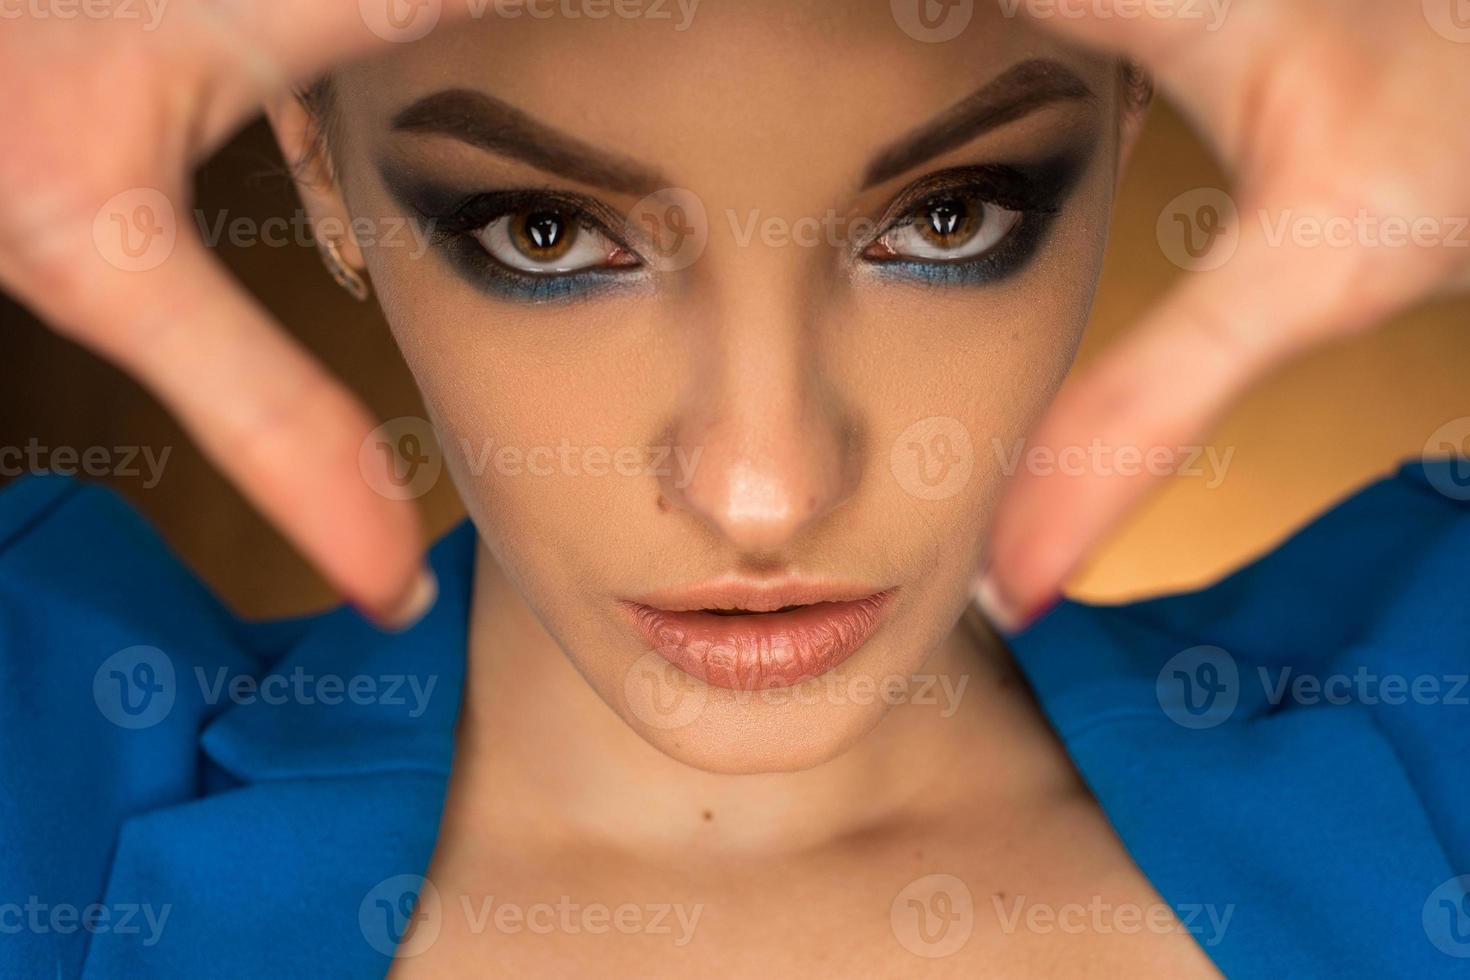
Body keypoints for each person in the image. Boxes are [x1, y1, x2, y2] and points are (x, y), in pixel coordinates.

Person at [0, 1, 1467, 976]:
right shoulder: (48, 753)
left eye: (945, 219)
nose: (764, 493)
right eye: (545, 235)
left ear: (1126, 106)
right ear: (321, 174)